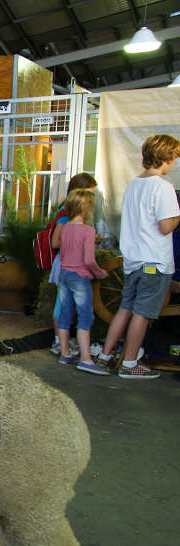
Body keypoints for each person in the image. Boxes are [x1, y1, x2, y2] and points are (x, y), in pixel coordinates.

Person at [95, 134, 180, 379]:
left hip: (132, 261)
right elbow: (166, 227)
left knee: (126, 308)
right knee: (143, 313)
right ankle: (130, 364)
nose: (173, 163)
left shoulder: (134, 184)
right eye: (173, 158)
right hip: (154, 261)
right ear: (166, 157)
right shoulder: (163, 188)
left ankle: (105, 355)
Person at [54, 189, 109, 375]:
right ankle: (86, 359)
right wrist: (99, 273)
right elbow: (89, 261)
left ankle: (65, 353)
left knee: (65, 314)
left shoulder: (66, 227)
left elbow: (63, 253)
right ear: (86, 208)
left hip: (64, 273)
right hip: (79, 277)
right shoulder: (87, 230)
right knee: (85, 317)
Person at [48, 173, 99, 358]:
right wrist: (82, 241)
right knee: (64, 308)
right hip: (68, 264)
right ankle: (60, 343)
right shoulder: (66, 216)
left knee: (64, 307)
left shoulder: (71, 219)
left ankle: (63, 348)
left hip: (66, 265)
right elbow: (55, 242)